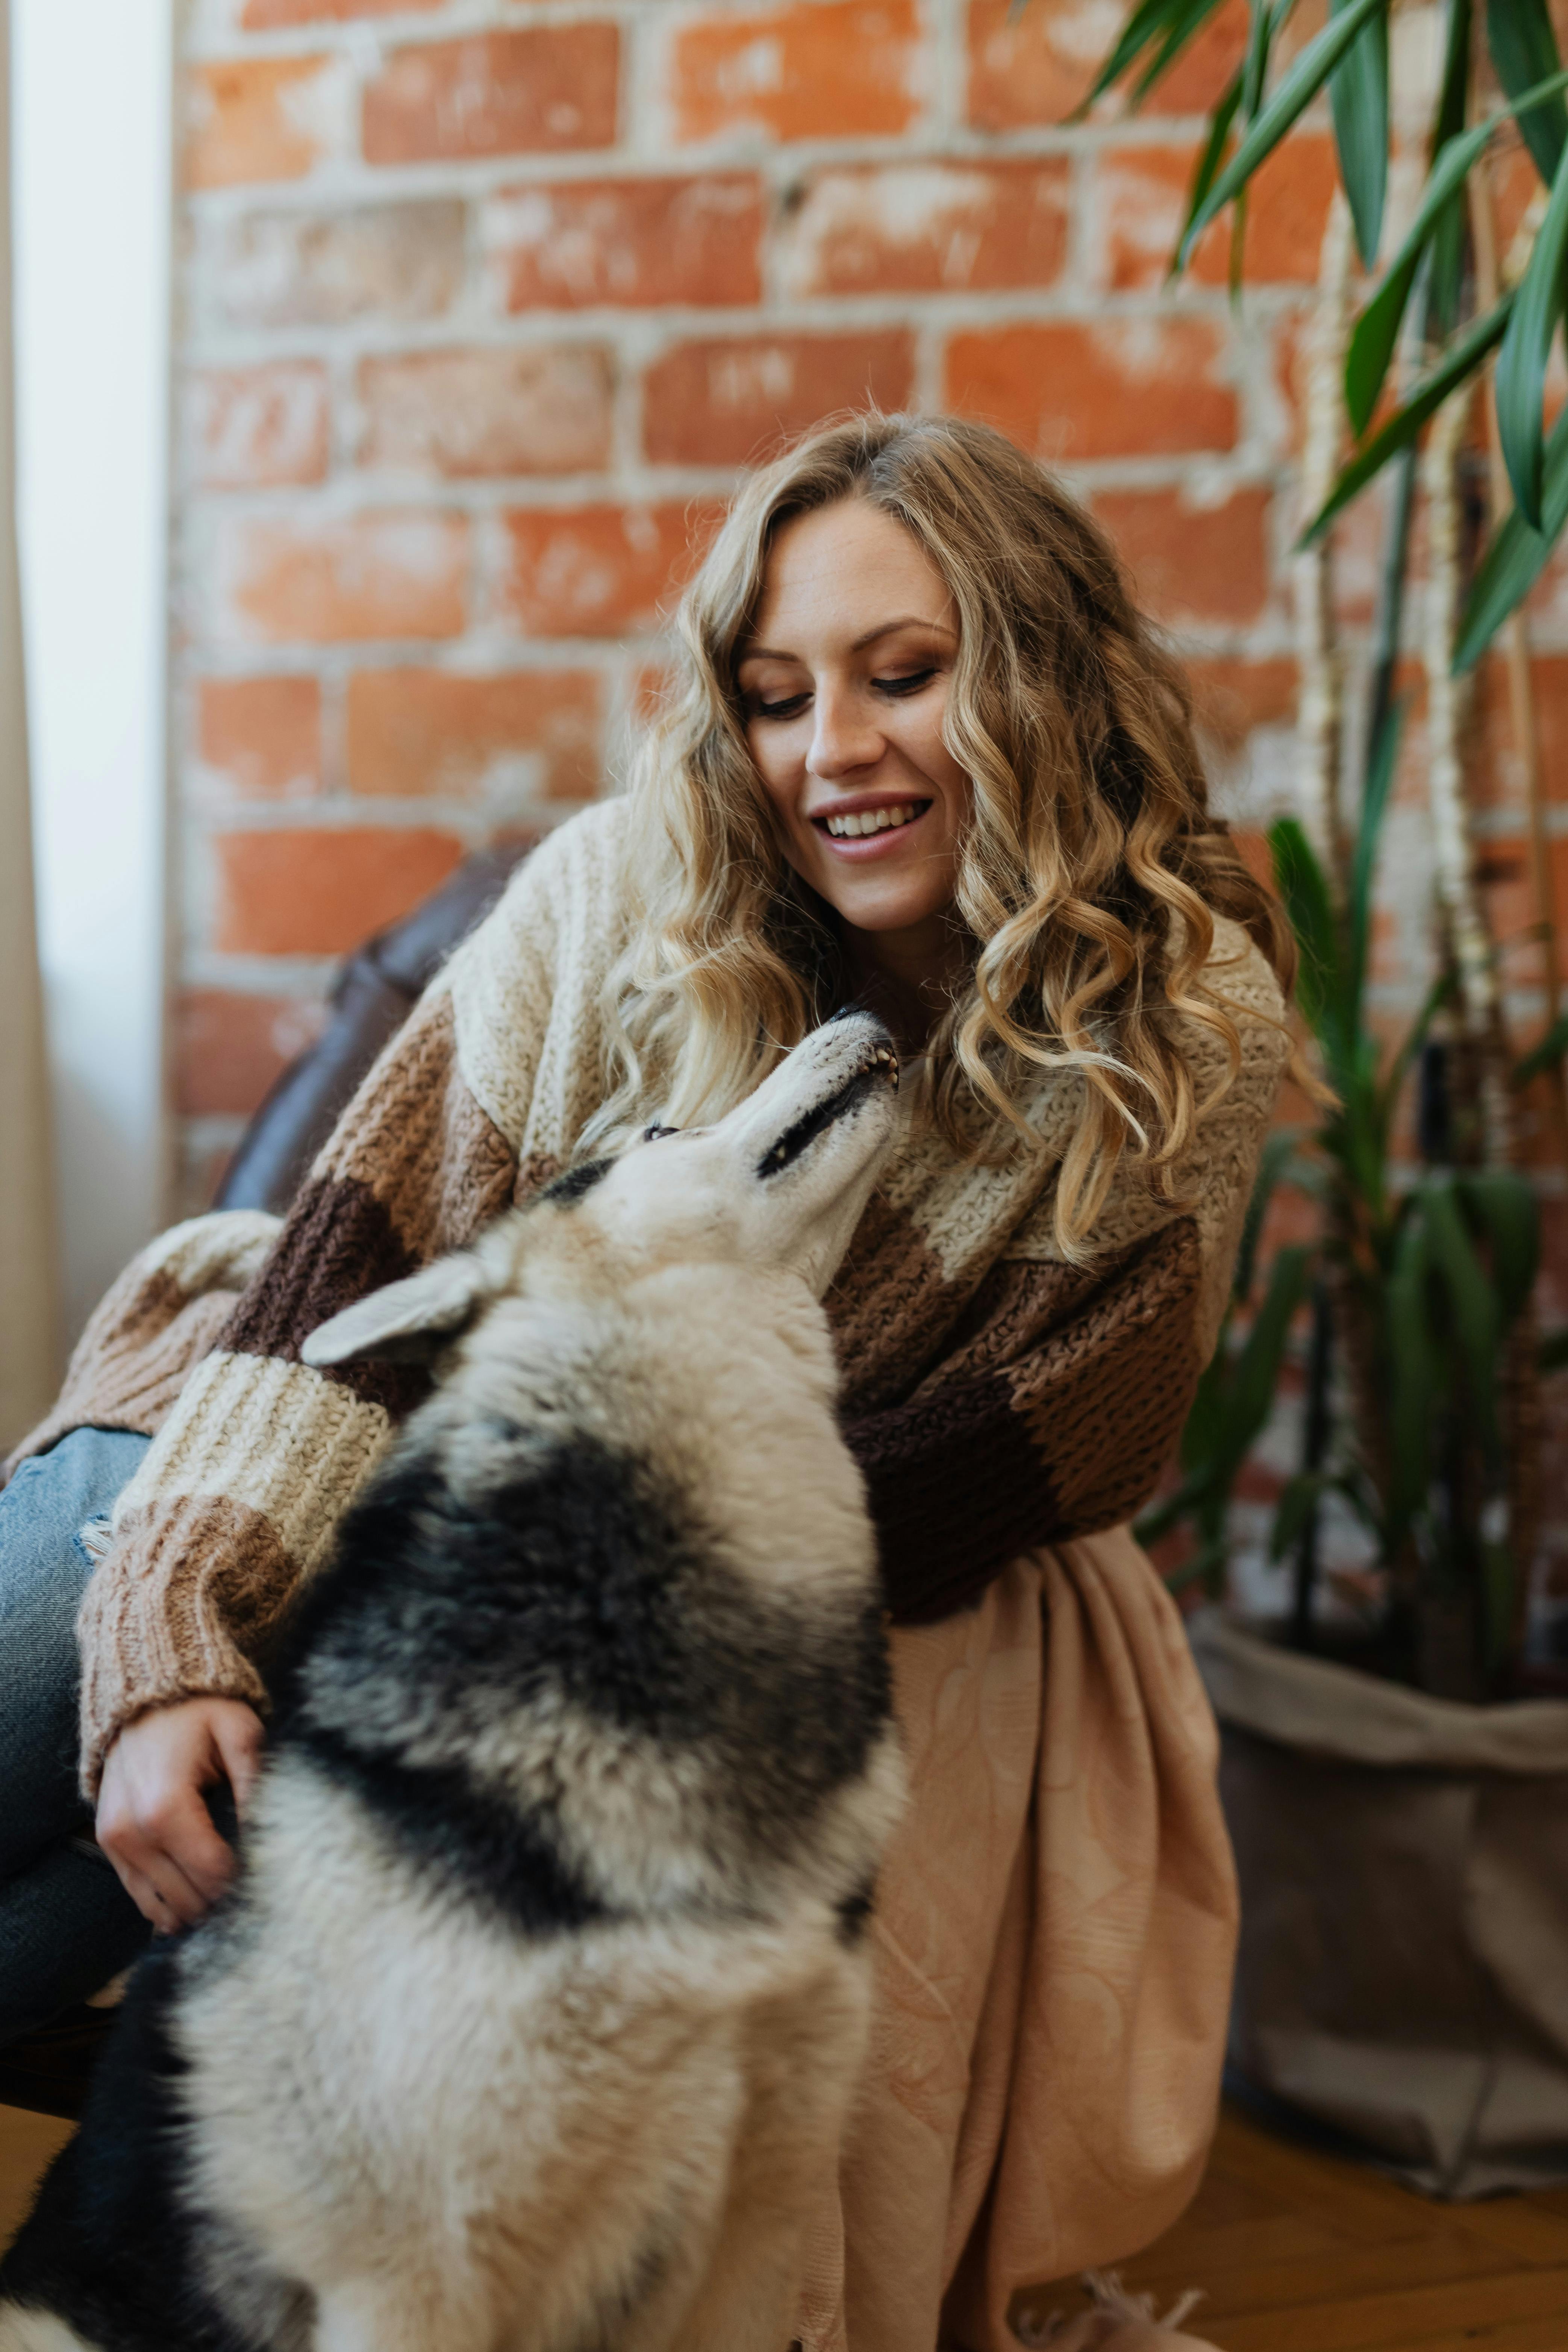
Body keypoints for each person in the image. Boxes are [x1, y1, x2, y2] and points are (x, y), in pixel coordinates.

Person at [2, 413, 1291, 2351]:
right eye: (775, 699)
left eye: (905, 677)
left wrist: (484, 1592)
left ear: (1037, 671)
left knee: (111, 1907)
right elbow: (340, 1268)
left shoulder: (1173, 1017)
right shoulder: (627, 887)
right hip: (247, 1452)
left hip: (482, 1601)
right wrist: (175, 1622)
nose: (829, 753)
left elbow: (1036, 1453)